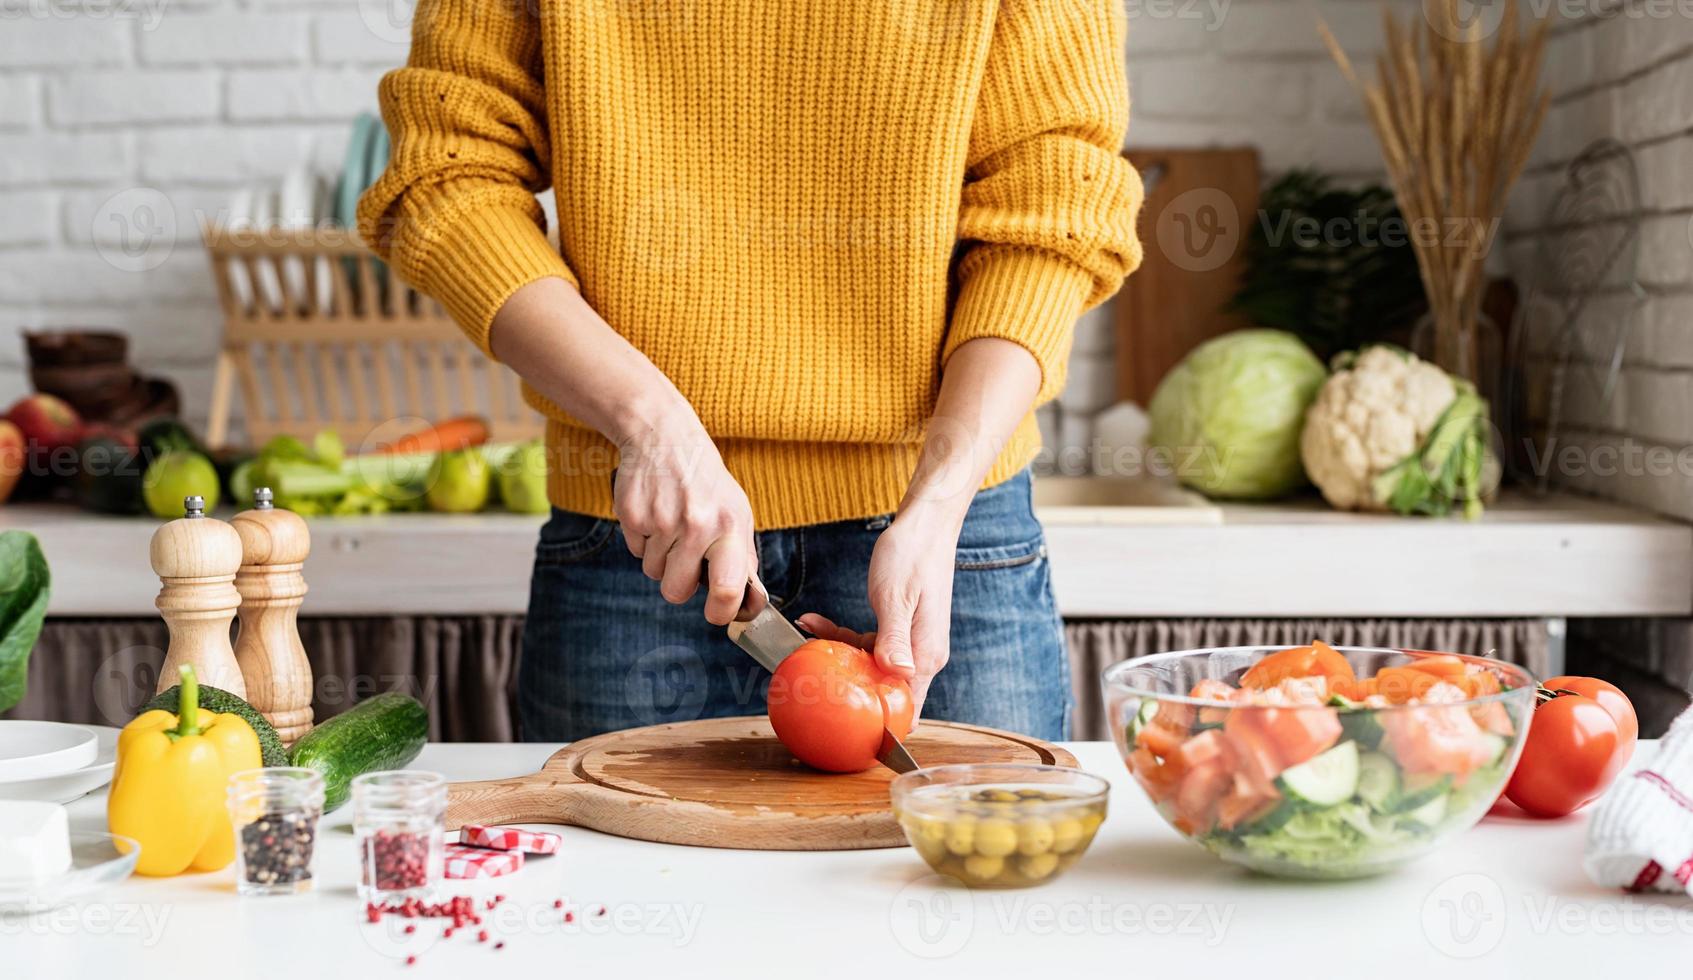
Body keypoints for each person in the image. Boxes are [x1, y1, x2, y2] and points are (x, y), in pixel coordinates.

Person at [358, 0, 1142, 743]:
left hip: (942, 538)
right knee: (607, 880)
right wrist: (651, 424)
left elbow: (1053, 217)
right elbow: (447, 180)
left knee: (982, 868)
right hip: (638, 541)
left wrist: (937, 507)